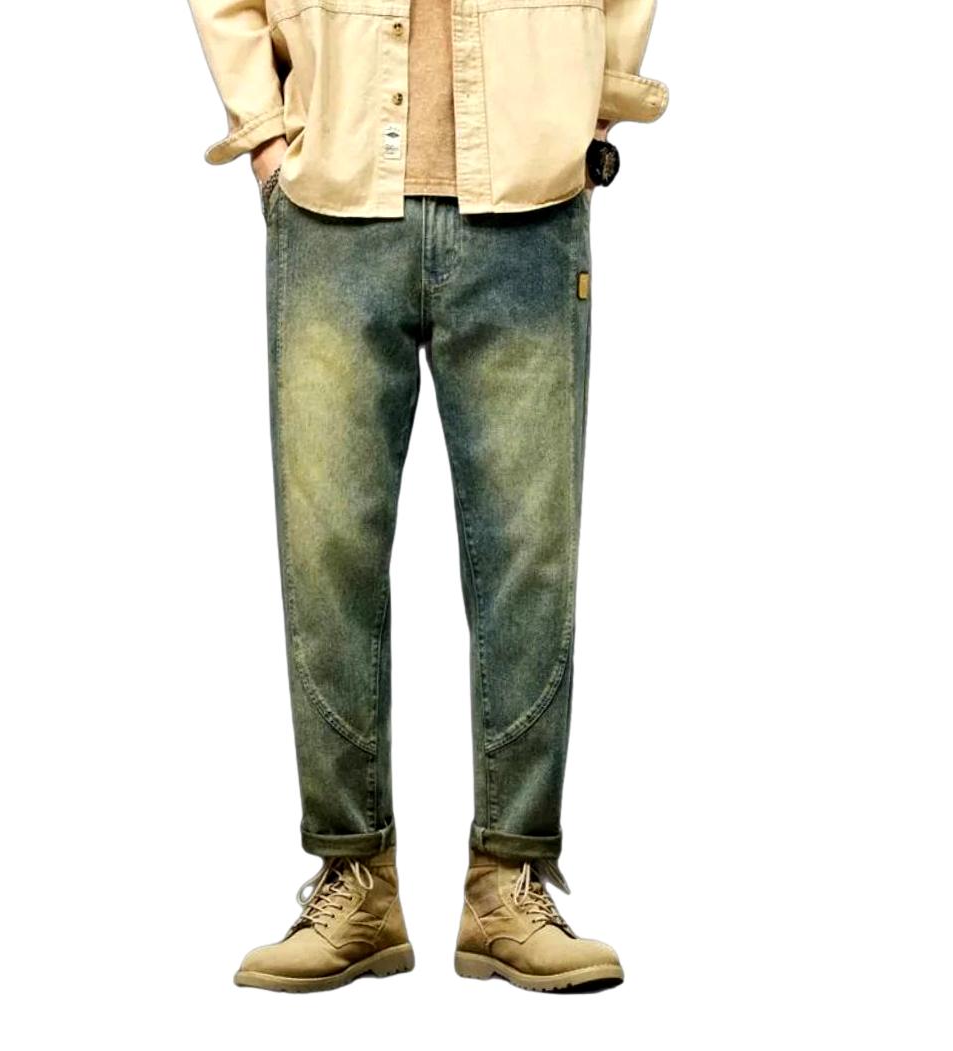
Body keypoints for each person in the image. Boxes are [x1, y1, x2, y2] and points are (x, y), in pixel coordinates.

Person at [185, 0, 667, 993]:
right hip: (334, 197)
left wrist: (593, 109)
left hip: (530, 202)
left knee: (531, 552)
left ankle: (508, 883)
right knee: (326, 553)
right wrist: (263, 135)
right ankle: (354, 879)